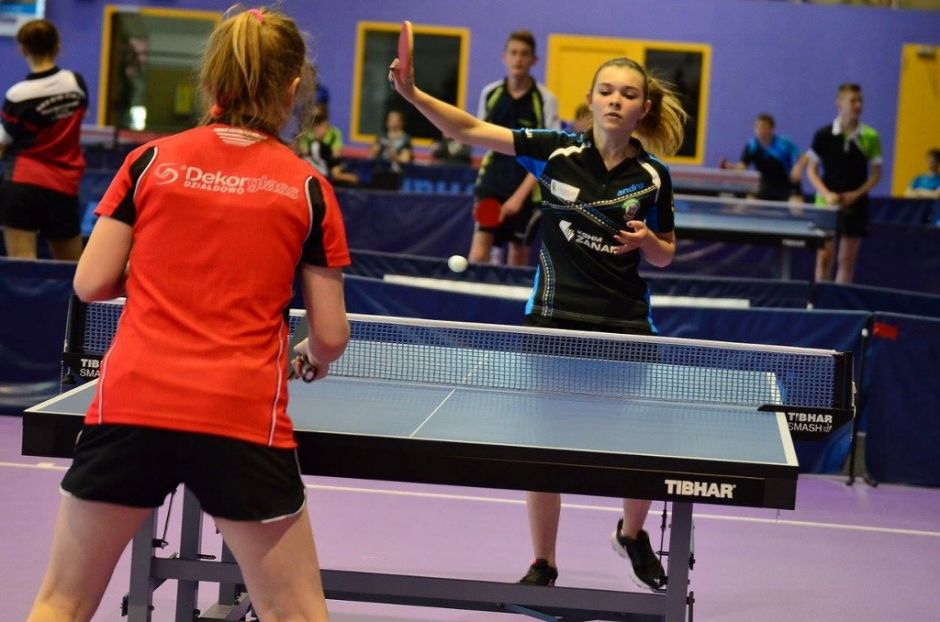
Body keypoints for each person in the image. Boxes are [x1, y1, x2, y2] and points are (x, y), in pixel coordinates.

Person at [27, 8, 350, 622]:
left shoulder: (149, 162)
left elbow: (90, 282)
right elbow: (331, 334)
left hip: (133, 405)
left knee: (62, 602)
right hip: (239, 418)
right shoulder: (308, 187)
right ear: (291, 89)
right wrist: (310, 354)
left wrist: (164, 271)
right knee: (296, 613)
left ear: (210, 81)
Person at [390, 38, 686, 591]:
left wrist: (648, 241)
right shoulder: (556, 152)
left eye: (628, 94)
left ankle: (631, 534)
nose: (615, 101)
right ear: (590, 100)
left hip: (625, 322)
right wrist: (413, 95)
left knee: (642, 444)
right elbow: (470, 130)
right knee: (545, 447)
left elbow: (666, 253)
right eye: (606, 91)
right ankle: (544, 562)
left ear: (643, 108)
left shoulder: (653, 175)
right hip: (553, 317)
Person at [0, 19, 87, 260]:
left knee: (21, 269)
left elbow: (3, 142)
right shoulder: (76, 83)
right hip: (63, 187)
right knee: (72, 270)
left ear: (22, 49)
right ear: (58, 46)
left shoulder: (17, 95)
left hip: (22, 184)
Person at [471, 30, 560, 266]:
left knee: (516, 259)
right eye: (513, 53)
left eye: (524, 54)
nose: (518, 59)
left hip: (527, 185)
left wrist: (518, 198)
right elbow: (481, 137)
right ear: (504, 57)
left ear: (534, 60)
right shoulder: (490, 94)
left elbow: (548, 154)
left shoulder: (545, 99)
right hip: (493, 180)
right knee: (478, 255)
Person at [805, 83, 882, 283]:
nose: (858, 105)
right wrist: (826, 194)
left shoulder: (871, 137)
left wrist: (856, 194)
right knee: (824, 257)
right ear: (839, 103)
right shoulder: (823, 135)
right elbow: (811, 170)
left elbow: (876, 174)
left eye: (860, 101)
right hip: (826, 204)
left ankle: (839, 301)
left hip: (856, 204)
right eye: (853, 101)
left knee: (847, 260)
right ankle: (820, 298)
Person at [719, 113, 803, 201]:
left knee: (796, 206)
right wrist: (732, 167)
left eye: (763, 127)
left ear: (772, 129)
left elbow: (802, 157)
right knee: (747, 204)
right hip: (764, 186)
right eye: (757, 127)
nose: (760, 130)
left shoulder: (783, 142)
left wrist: (798, 167)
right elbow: (742, 166)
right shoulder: (752, 145)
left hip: (789, 186)